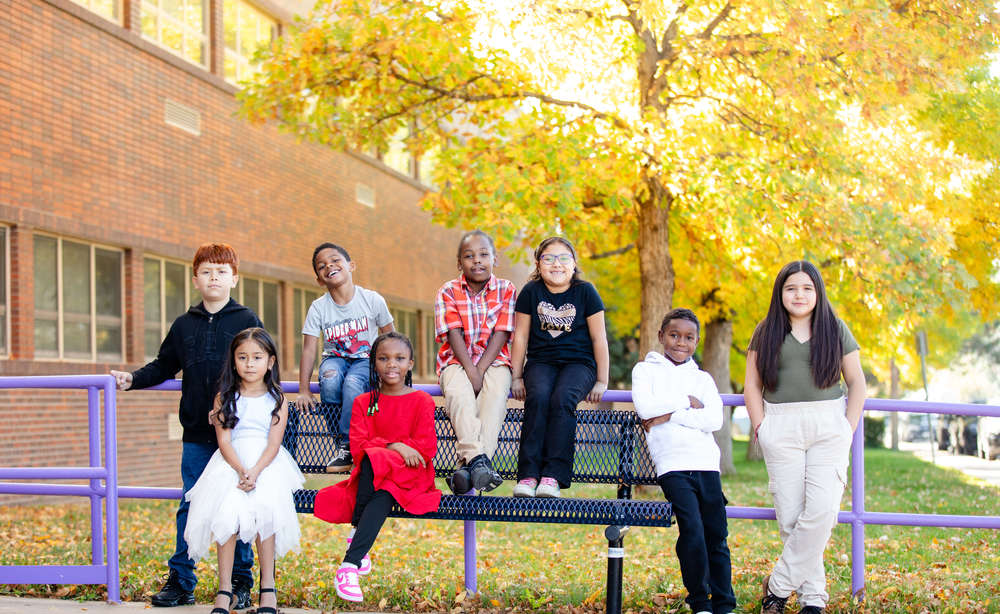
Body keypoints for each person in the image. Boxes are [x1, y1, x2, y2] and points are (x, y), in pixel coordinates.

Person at [110, 243, 261, 608]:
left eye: (222, 272)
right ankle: (181, 580)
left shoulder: (246, 320)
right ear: (196, 278)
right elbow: (163, 365)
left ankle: (240, 582)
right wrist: (131, 379)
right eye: (207, 271)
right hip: (196, 433)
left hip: (237, 432)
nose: (214, 278)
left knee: (238, 505)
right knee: (190, 504)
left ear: (234, 279)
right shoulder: (183, 325)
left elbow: (259, 365)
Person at [745, 261, 866, 614]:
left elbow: (857, 382)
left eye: (807, 288)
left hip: (829, 425)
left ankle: (778, 586)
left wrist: (847, 426)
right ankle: (813, 599)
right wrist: (761, 428)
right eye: (791, 288)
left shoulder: (835, 328)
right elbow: (752, 385)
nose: (799, 295)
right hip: (779, 425)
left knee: (823, 511)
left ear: (818, 292)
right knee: (791, 516)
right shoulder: (765, 331)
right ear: (780, 293)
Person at [312, 332, 441, 603]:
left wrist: (392, 449)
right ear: (373, 363)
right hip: (377, 478)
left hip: (411, 476)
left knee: (376, 460)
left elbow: (426, 449)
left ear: (411, 364)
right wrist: (396, 445)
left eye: (399, 358)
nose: (391, 364)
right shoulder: (363, 402)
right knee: (377, 472)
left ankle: (356, 532)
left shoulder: (421, 401)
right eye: (383, 358)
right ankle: (349, 566)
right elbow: (358, 447)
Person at [184, 328, 304, 614]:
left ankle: (268, 588)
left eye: (257, 357)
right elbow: (224, 440)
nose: (250, 363)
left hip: (266, 465)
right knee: (226, 516)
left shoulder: (277, 399)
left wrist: (256, 471)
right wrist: (240, 470)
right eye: (243, 357)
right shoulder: (224, 398)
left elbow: (274, 443)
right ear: (234, 361)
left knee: (266, 513)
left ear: (270, 362)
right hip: (231, 463)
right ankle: (224, 589)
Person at [632, 308, 736, 614]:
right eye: (674, 335)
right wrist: (686, 403)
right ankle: (699, 601)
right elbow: (645, 408)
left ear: (698, 341)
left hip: (706, 463)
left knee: (716, 534)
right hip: (672, 466)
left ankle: (724, 603)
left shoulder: (702, 378)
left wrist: (668, 415)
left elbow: (714, 419)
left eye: (689, 337)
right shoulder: (645, 370)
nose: (681, 342)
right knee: (691, 529)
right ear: (662, 336)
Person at [510, 237, 609, 499]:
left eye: (564, 258)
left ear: (574, 264)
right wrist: (516, 376)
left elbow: (599, 338)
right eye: (548, 258)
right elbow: (520, 337)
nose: (556, 264)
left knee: (563, 398)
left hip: (580, 364)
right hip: (541, 362)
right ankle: (528, 476)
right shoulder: (531, 292)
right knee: (539, 397)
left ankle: (552, 476)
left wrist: (602, 381)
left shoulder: (586, 292)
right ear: (538, 263)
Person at [293, 243, 394, 473]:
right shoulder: (319, 307)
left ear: (351, 265)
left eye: (335, 260)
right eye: (322, 266)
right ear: (320, 279)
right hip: (334, 358)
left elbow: (391, 337)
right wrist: (304, 389)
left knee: (352, 383)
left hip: (365, 359)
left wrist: (389, 372)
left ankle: (350, 443)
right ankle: (343, 443)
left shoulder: (371, 299)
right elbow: (309, 349)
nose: (329, 266)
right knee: (329, 378)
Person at [434, 230, 517, 494]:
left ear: (495, 259)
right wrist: (470, 369)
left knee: (494, 399)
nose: (477, 261)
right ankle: (480, 463)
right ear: (459, 263)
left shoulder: (507, 289)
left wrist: (480, 370)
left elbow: (503, 332)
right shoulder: (448, 290)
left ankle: (467, 466)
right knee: (459, 396)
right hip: (455, 361)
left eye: (483, 255)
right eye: (469, 256)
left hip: (496, 361)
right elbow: (452, 332)